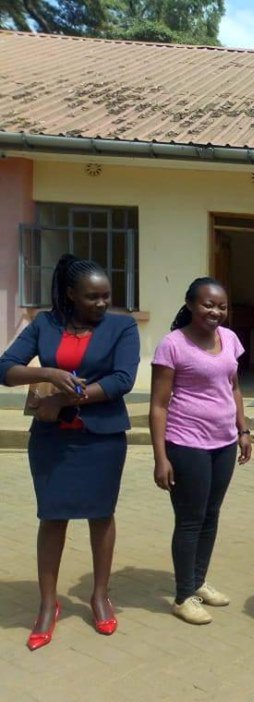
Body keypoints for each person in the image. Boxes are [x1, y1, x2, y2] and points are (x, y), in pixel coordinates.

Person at [0, 253, 139, 650]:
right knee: (53, 517)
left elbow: (122, 380)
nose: (100, 303)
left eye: (105, 296)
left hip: (103, 438)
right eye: (91, 297)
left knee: (100, 515)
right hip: (51, 441)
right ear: (70, 295)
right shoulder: (46, 324)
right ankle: (48, 604)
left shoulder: (121, 326)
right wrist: (48, 373)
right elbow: (5, 368)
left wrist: (63, 401)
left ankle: (99, 596)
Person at [149, 278, 253, 625]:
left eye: (221, 306)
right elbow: (159, 405)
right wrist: (160, 457)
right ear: (191, 304)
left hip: (223, 442)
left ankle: (198, 581)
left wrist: (243, 429)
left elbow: (234, 387)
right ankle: (182, 596)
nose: (215, 311)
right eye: (208, 304)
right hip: (186, 443)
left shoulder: (230, 339)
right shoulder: (172, 345)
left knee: (211, 513)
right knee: (191, 519)